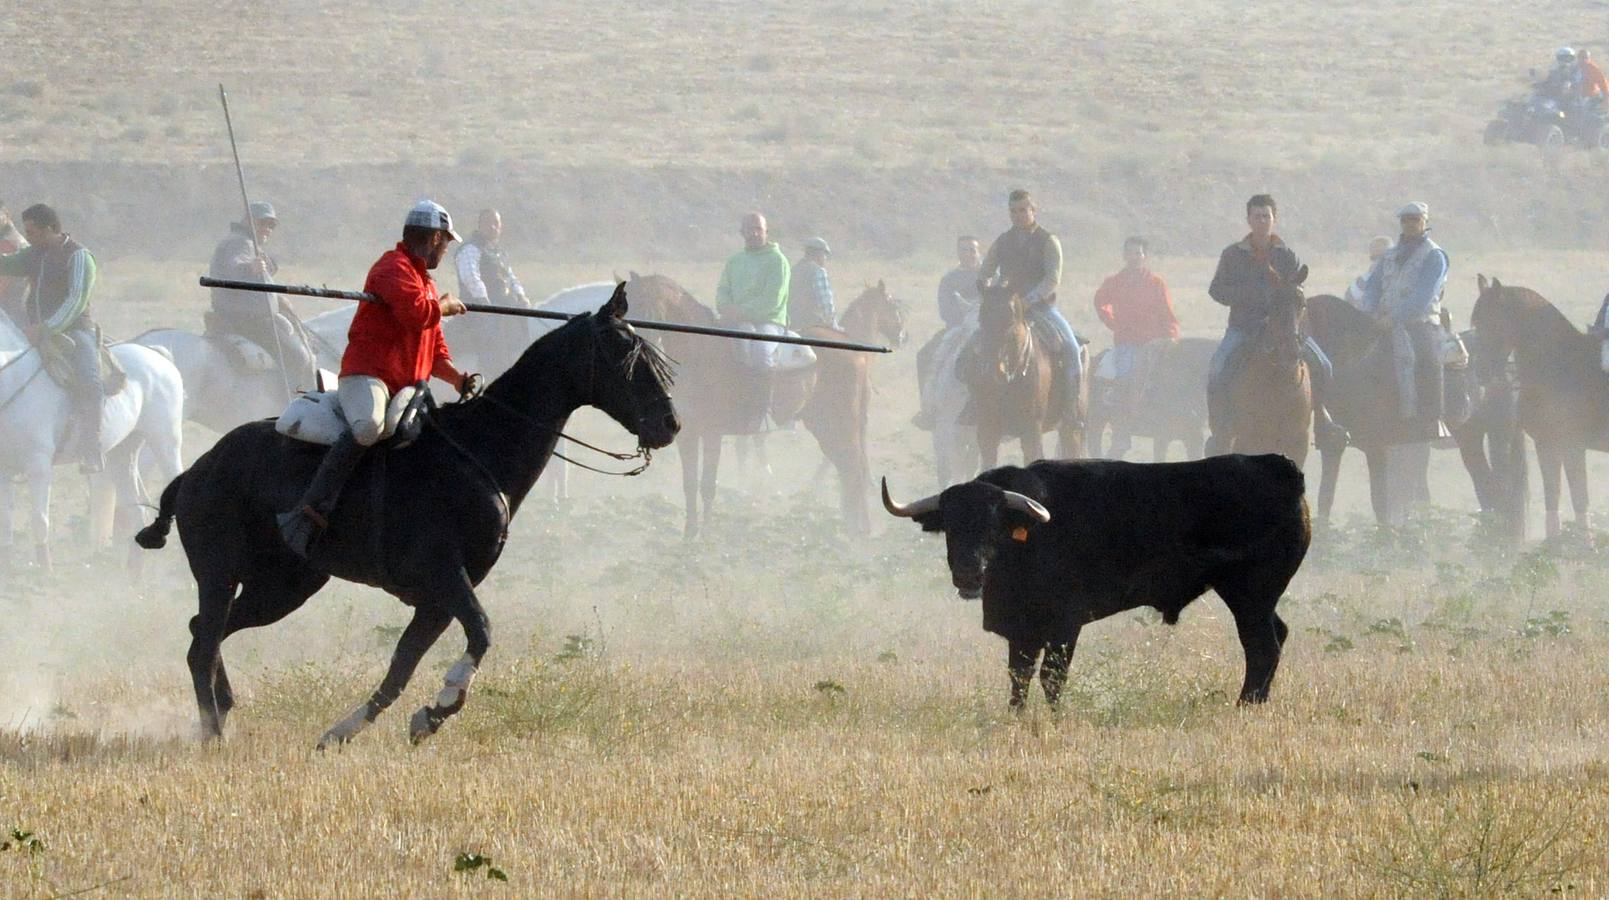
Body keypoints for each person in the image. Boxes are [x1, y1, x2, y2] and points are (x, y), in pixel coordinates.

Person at [278, 200, 477, 557]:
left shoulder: (425, 284)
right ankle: (310, 510)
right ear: (434, 238)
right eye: (445, 243)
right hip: (367, 377)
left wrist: (457, 380)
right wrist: (443, 306)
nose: (445, 250)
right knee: (369, 427)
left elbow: (435, 352)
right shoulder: (392, 267)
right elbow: (418, 315)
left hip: (405, 388)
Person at [1204, 194, 1337, 455]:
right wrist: (1250, 295)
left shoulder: (1287, 255)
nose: (1262, 221)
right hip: (1244, 327)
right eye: (1257, 216)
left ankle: (1323, 422)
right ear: (1248, 220)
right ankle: (1220, 432)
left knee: (1323, 364)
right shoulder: (1232, 255)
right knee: (1217, 367)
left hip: (1285, 329)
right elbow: (1216, 290)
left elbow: (1297, 290)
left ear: (1274, 219)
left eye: (1267, 216)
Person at [0, 204, 104, 471]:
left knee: (91, 382)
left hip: (75, 330)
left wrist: (45, 328)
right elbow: (5, 263)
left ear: (49, 228)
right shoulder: (33, 254)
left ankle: (92, 449)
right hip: (35, 330)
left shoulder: (80, 256)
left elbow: (75, 302)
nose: (28, 237)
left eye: (32, 232)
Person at [976, 189, 1081, 426]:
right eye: (1013, 211)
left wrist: (1028, 300)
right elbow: (986, 271)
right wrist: (986, 286)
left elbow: (1052, 279)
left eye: (1023, 210)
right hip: (1005, 310)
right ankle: (973, 405)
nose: (1018, 215)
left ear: (1033, 210)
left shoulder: (1048, 241)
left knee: (1071, 348)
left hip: (1040, 308)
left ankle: (1071, 408)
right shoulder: (1002, 241)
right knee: (972, 344)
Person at [1355, 202, 1450, 434]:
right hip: (1382, 321)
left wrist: (1394, 317)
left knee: (1429, 361)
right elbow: (1372, 286)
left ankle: (1433, 419)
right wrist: (1370, 311)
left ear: (1425, 222)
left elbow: (1423, 297)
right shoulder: (1389, 255)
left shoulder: (1435, 256)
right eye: (1406, 220)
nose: (1410, 224)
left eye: (1415, 220)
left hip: (1420, 324)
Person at [207, 201, 316, 388]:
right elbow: (234, 270)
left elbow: (256, 281)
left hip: (248, 316)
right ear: (248, 221)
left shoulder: (249, 244)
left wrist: (276, 298)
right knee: (298, 357)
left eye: (271, 225)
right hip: (247, 320)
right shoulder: (240, 242)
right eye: (262, 223)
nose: (267, 229)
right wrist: (248, 268)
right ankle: (287, 404)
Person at [1092, 236, 1180, 455]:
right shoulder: (1115, 281)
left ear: (1145, 256)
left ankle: (1179, 421)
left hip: (1155, 343)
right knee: (1124, 377)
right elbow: (1100, 301)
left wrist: (1171, 337)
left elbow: (1169, 315)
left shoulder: (1155, 283)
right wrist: (1112, 322)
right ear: (1124, 255)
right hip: (1127, 344)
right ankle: (1122, 433)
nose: (1134, 257)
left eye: (1138, 253)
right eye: (1130, 253)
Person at [714, 211, 790, 431]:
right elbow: (722, 291)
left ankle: (763, 410)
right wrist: (726, 308)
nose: (754, 233)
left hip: (770, 321)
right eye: (749, 229)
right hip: (738, 322)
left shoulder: (778, 261)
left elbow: (772, 300)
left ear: (767, 231)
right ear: (742, 232)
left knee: (761, 352)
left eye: (759, 229)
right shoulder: (734, 261)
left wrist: (738, 312)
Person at [912, 235, 983, 429]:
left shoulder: (992, 276)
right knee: (925, 355)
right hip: (958, 328)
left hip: (987, 329)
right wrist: (962, 323)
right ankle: (928, 410)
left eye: (972, 249)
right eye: (964, 250)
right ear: (958, 253)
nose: (968, 254)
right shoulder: (949, 279)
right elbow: (946, 310)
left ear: (979, 252)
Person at [454, 208, 530, 374]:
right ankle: (490, 374)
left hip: (501, 307)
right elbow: (471, 278)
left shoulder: (498, 253)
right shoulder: (470, 249)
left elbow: (511, 277)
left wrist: (521, 295)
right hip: (479, 309)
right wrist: (484, 301)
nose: (493, 227)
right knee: (492, 338)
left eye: (497, 223)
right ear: (480, 225)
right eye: (489, 223)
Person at [787, 236, 836, 331]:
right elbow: (826, 303)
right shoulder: (818, 271)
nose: (825, 259)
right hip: (811, 323)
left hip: (790, 323)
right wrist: (833, 325)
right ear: (819, 254)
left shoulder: (794, 270)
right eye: (825, 255)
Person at [1343, 236, 1395, 310]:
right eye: (1375, 258)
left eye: (1383, 258)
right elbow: (1348, 303)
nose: (1379, 263)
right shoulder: (1362, 281)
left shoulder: (1400, 280)